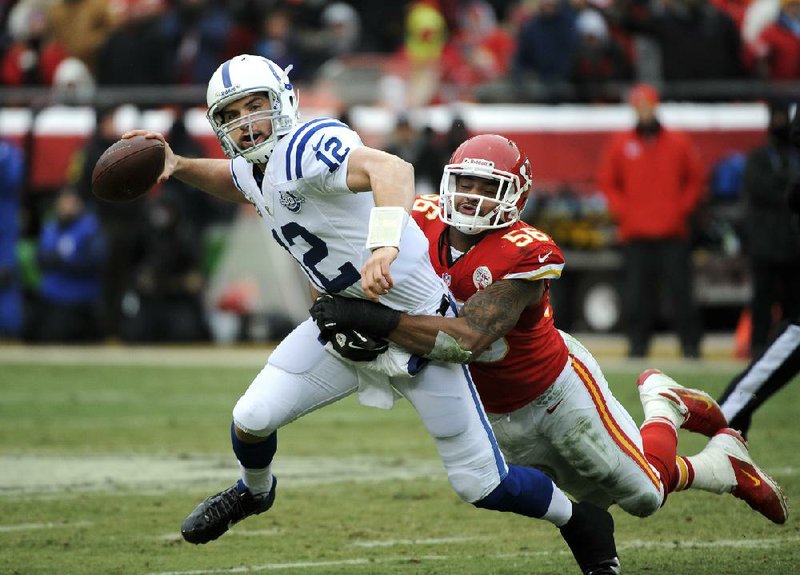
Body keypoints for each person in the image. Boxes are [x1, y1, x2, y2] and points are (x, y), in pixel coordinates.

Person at [124, 54, 620, 575]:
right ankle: (254, 492)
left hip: (418, 336)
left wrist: (382, 245)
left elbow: (392, 169)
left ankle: (578, 519)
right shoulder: (259, 165)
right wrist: (178, 166)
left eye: (256, 107)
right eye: (233, 115)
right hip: (342, 326)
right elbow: (240, 181)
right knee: (251, 418)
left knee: (481, 484)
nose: (248, 124)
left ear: (284, 102)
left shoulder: (306, 146)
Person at [309, 134, 789, 547]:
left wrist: (371, 319)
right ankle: (725, 465)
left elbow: (466, 340)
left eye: (487, 187)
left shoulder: (525, 252)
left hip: (556, 392)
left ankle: (664, 404)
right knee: (603, 497)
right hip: (492, 411)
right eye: (465, 184)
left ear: (515, 196)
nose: (473, 198)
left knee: (644, 496)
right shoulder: (418, 218)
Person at [597, 83, 705, 358]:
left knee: (681, 293)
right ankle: (637, 346)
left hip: (673, 232)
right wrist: (626, 211)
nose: (644, 111)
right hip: (636, 234)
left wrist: (680, 209)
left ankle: (690, 346)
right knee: (637, 297)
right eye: (639, 106)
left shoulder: (678, 142)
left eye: (648, 106)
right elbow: (608, 182)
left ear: (655, 107)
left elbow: (694, 180)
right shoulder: (621, 143)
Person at [717, 102, 800, 437]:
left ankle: (733, 408)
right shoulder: (761, 160)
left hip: (790, 247)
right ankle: (732, 409)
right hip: (771, 248)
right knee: (790, 325)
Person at [739, 101, 800, 357]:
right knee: (762, 300)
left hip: (791, 242)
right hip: (765, 242)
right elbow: (761, 190)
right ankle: (758, 348)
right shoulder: (759, 157)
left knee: (792, 301)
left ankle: (787, 352)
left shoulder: (790, 157)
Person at [25, 186, 106, 343]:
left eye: (71, 201)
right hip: (49, 297)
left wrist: (66, 261)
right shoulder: (50, 227)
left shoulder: (90, 228)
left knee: (58, 331)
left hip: (78, 301)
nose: (67, 206)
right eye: (64, 201)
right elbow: (40, 258)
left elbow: (96, 260)